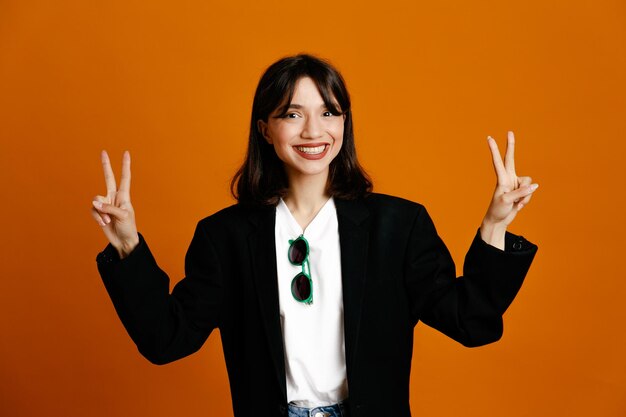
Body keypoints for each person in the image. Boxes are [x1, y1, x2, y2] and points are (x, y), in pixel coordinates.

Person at [91, 54, 538, 417]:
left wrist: (495, 225)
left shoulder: (397, 226)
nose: (313, 131)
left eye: (329, 112)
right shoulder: (224, 237)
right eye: (292, 113)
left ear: (344, 123)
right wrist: (128, 245)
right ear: (265, 129)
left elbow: (470, 322)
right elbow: (167, 339)